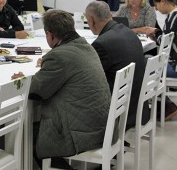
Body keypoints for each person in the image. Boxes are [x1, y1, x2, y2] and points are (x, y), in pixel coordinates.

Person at [11, 9, 110, 168]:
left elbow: (36, 92)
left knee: (24, 134)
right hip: (101, 126)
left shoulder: (59, 56)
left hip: (80, 133)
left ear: (50, 34)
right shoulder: (86, 46)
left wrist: (23, 79)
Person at [85, 1, 150, 130]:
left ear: (91, 21)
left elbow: (90, 79)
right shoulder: (128, 32)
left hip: (119, 111)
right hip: (137, 106)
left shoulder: (101, 43)